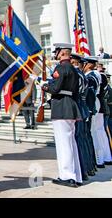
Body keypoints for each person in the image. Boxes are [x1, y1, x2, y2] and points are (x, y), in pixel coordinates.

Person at [41, 43, 82, 187]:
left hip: (61, 108)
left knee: (64, 144)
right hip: (70, 106)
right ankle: (76, 175)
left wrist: (43, 85)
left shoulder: (61, 67)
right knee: (71, 143)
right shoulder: (73, 69)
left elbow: (55, 88)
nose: (56, 54)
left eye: (57, 52)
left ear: (63, 53)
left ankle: (67, 176)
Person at [71, 53, 95, 180]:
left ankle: (83, 170)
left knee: (79, 140)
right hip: (83, 109)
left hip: (78, 110)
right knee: (83, 139)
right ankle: (89, 167)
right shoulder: (82, 75)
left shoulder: (76, 75)